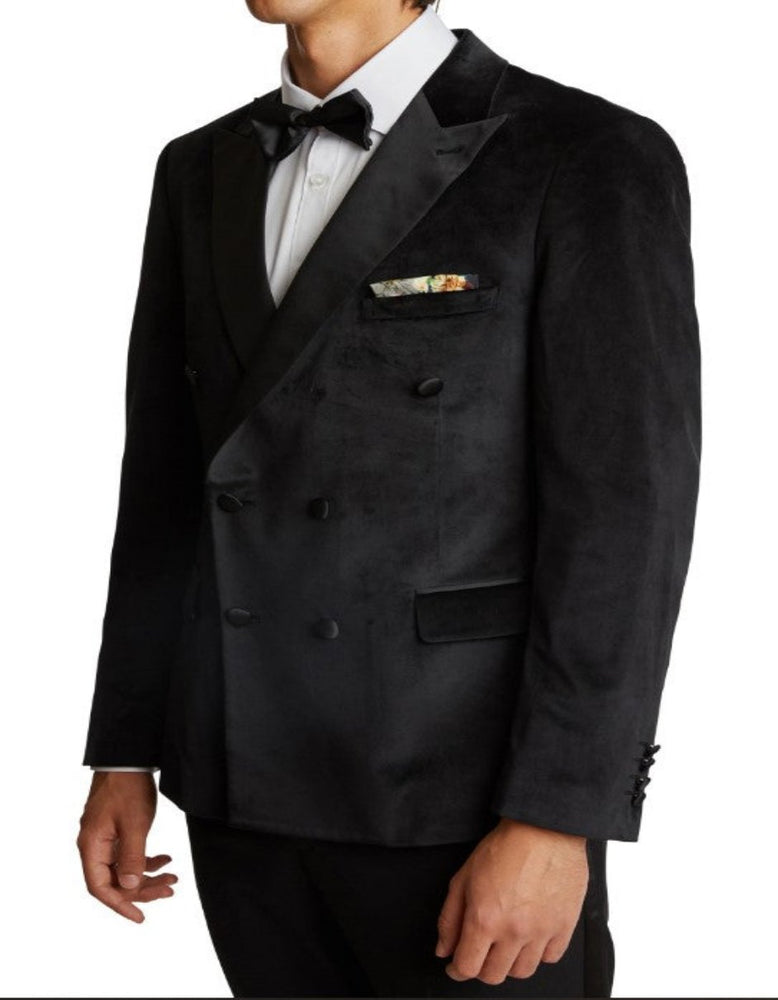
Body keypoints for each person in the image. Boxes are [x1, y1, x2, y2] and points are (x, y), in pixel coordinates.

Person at [76, 0, 701, 996]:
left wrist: (557, 815)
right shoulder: (196, 167)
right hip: (237, 785)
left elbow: (627, 521)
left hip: (463, 802)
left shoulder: (585, 152)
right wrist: (124, 749)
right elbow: (159, 484)